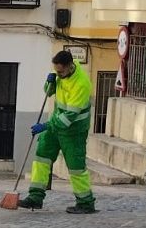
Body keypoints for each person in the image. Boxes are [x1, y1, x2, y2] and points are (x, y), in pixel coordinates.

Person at [21, 51, 97, 214]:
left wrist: (45, 126)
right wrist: (50, 83)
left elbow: (69, 117)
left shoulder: (82, 84)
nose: (58, 74)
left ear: (70, 67)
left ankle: (85, 202)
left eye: (60, 72)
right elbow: (49, 93)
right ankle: (35, 197)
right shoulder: (59, 75)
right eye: (56, 71)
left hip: (73, 130)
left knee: (76, 167)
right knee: (41, 158)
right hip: (55, 126)